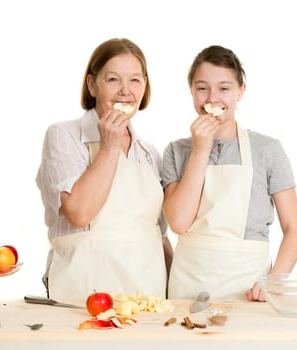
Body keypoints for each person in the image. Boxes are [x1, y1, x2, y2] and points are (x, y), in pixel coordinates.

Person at [162, 45, 297, 301]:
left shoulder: (268, 149)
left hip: (248, 284)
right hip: (188, 284)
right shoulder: (176, 151)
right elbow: (179, 223)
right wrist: (200, 149)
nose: (212, 98)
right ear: (192, 92)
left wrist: (274, 281)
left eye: (224, 88)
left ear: (241, 91)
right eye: (202, 88)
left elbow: (294, 228)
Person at [36, 38, 173, 304]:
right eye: (113, 79)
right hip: (85, 293)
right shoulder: (64, 136)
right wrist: (108, 148)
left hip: (147, 296)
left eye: (135, 80)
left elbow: (159, 234)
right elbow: (79, 213)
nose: (125, 91)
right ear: (92, 85)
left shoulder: (149, 152)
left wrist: (179, 288)